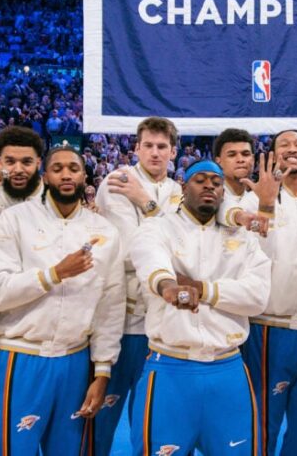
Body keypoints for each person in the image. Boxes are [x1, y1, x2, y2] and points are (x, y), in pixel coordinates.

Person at [0, 145, 125, 456]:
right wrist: (54, 274)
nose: (66, 174)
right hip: (22, 356)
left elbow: (110, 306)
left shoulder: (104, 231)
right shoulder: (14, 219)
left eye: (73, 168)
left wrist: (102, 370)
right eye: (57, 168)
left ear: (84, 176)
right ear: (44, 175)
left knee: (69, 450)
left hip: (76, 359)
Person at [128, 160, 270, 455]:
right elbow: (151, 262)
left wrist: (200, 288)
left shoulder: (242, 237)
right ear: (184, 187)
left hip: (227, 367)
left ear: (223, 193)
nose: (209, 186)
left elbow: (257, 298)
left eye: (216, 182)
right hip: (170, 367)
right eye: (200, 180)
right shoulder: (157, 227)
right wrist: (168, 286)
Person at [234, 129, 297, 455]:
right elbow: (250, 253)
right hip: (269, 329)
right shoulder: (253, 200)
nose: (292, 149)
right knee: (263, 423)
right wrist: (264, 203)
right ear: (272, 155)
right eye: (284, 144)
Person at [93, 117, 182, 456]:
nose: (155, 153)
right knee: (101, 422)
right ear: (136, 148)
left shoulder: (177, 190)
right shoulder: (117, 180)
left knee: (151, 424)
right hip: (119, 319)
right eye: (148, 145)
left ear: (173, 151)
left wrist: (145, 201)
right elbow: (131, 251)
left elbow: (180, 251)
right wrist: (162, 225)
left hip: (160, 323)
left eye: (162, 147)